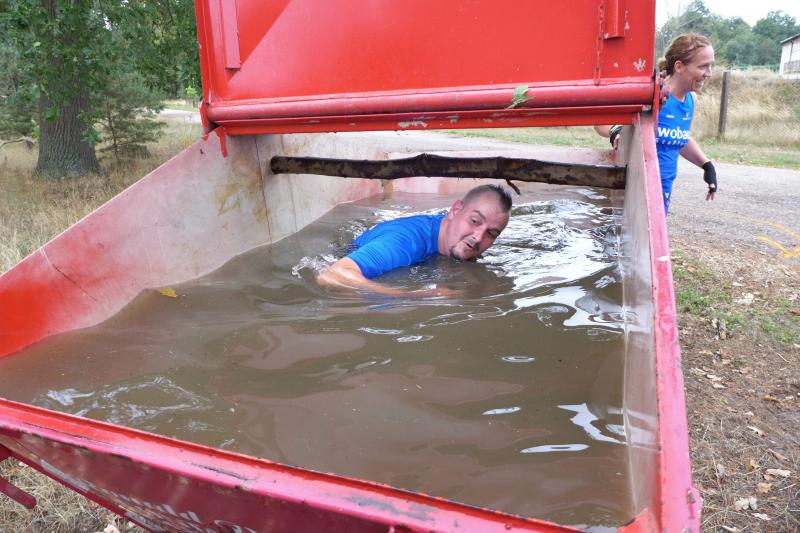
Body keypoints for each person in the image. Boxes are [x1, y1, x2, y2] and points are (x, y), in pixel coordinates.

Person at [596, 33, 718, 213]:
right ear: (679, 66)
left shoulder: (690, 99)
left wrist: (706, 165)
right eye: (703, 66)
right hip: (635, 189)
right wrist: (617, 131)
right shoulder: (651, 96)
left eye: (711, 66)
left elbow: (679, 138)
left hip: (663, 190)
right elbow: (600, 122)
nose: (709, 73)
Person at [316, 184, 512, 295]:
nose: (478, 237)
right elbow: (332, 275)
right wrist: (420, 297)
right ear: (455, 210)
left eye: (491, 233)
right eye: (475, 221)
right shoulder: (405, 241)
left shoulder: (454, 240)